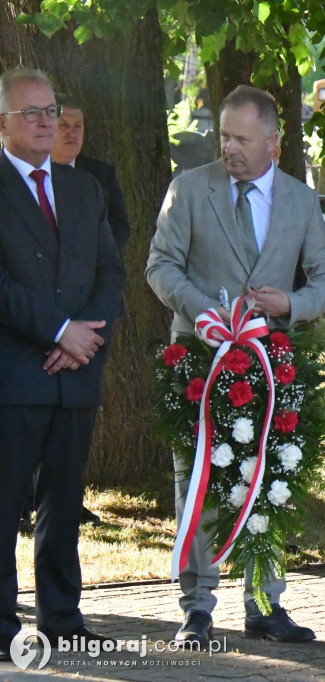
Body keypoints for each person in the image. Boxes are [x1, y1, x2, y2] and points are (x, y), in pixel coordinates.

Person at [147, 84, 325, 647]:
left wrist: (293, 304)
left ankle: (264, 604)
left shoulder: (300, 201)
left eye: (240, 138)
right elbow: (160, 266)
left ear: (273, 143)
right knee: (199, 485)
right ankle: (196, 609)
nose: (228, 147)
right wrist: (204, 311)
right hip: (201, 361)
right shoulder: (188, 189)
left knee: (269, 478)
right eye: (223, 135)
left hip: (271, 361)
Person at [0, 67, 125, 658]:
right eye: (32, 113)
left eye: (50, 110)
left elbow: (109, 270)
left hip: (77, 372)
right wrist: (56, 330)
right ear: (3, 123)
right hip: (14, 373)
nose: (47, 121)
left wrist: (84, 337)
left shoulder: (83, 187)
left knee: (63, 502)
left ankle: (62, 616)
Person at [50, 93, 131, 251]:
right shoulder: (32, 171)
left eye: (77, 126)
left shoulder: (102, 174)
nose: (72, 134)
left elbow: (120, 228)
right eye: (64, 125)